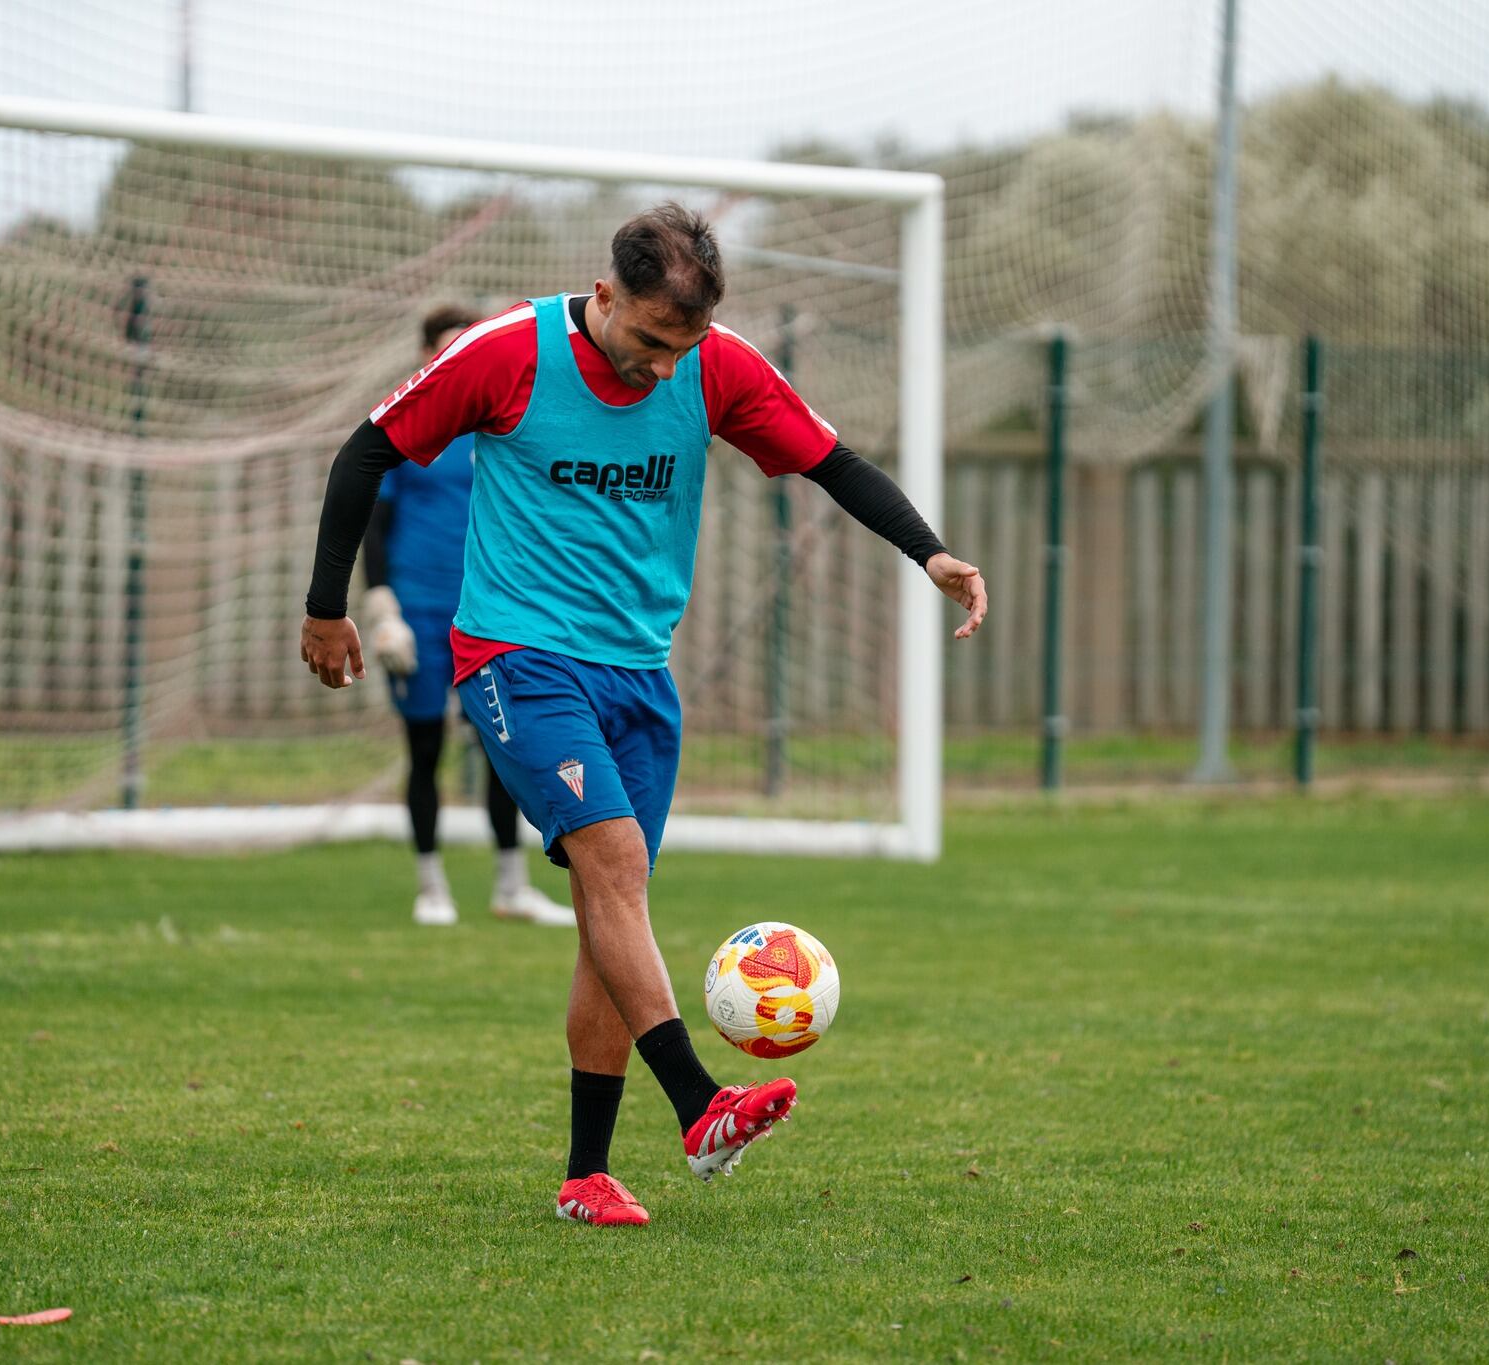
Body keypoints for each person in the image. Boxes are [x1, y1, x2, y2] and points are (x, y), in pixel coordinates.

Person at [302, 204, 985, 1228]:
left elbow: (828, 460)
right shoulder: (503, 353)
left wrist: (928, 550)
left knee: (605, 912)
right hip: (515, 656)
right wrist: (326, 609)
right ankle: (699, 1105)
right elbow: (364, 452)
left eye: (686, 346)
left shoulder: (716, 366)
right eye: (651, 342)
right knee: (613, 869)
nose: (665, 369)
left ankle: (585, 1176)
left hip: (638, 674)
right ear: (607, 294)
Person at [359, 306, 576, 929]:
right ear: (427, 354)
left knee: (503, 749)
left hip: (490, 615)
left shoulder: (505, 429)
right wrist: (382, 608)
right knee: (423, 749)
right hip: (420, 616)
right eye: (451, 349)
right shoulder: (411, 426)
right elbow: (375, 524)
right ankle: (431, 887)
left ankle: (511, 886)